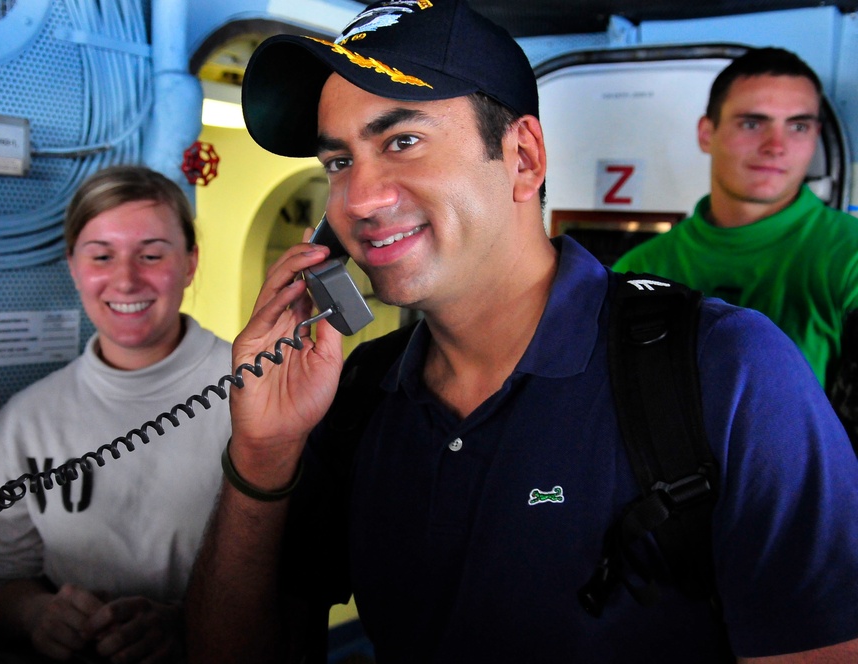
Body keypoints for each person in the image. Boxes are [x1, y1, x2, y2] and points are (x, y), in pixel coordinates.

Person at [185, 2, 858, 662]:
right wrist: (263, 453)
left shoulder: (731, 371)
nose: (359, 199)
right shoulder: (360, 396)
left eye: (402, 142)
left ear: (524, 157)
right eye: (338, 163)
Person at [0, 165, 232, 663]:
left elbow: (308, 573)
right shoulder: (29, 417)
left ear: (191, 263)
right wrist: (36, 614)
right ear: (72, 266)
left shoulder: (257, 392)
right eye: (102, 256)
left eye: (151, 255)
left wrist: (188, 622)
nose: (126, 280)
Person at [613, 47, 858, 409]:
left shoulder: (850, 256)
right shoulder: (639, 269)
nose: (776, 146)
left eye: (798, 126)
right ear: (706, 133)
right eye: (752, 123)